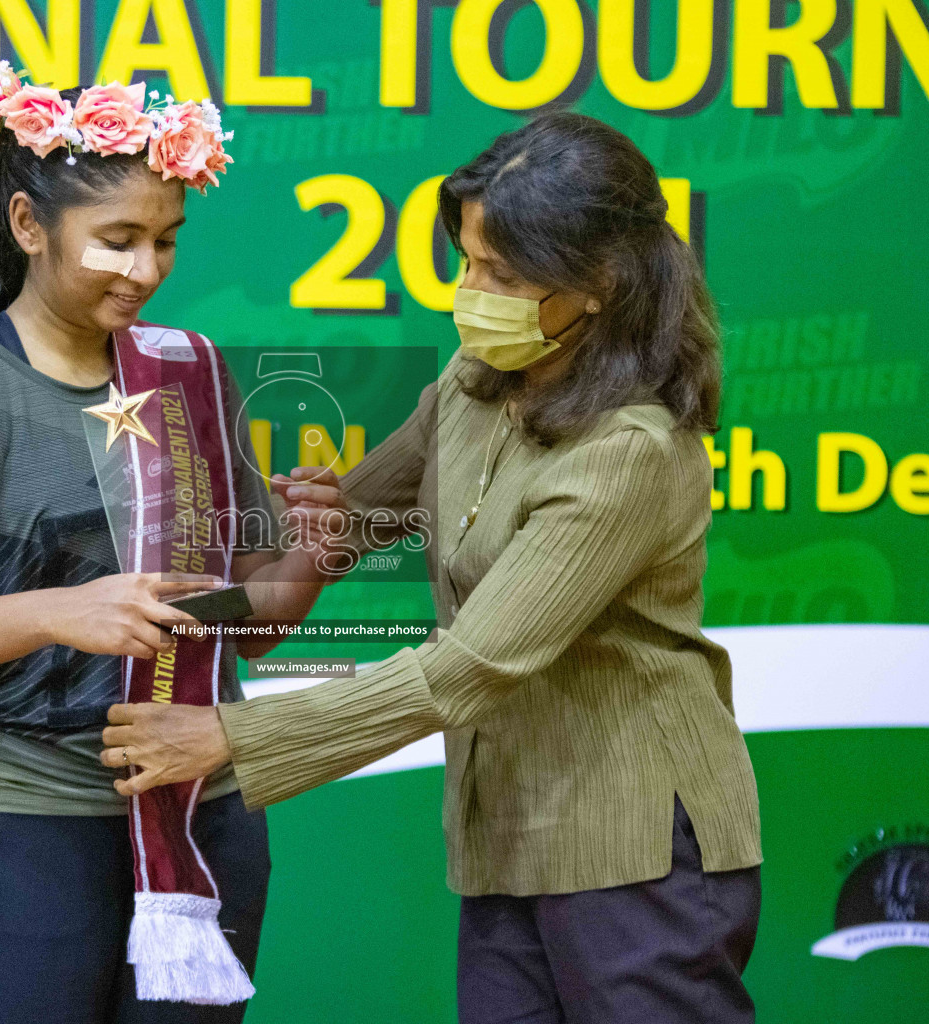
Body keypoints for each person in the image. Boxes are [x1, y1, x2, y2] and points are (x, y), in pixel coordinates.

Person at [98, 111, 765, 1024]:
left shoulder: (630, 451)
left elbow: (467, 667)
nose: (469, 292)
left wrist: (230, 736)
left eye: (503, 275)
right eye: (467, 262)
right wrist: (164, 609)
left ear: (599, 283)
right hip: (504, 833)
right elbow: (356, 517)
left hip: (636, 845)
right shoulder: (474, 381)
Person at [0, 66, 340, 1024]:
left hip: (198, 823)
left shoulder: (189, 370)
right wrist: (62, 612)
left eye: (165, 241)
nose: (145, 269)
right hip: (11, 835)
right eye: (118, 241)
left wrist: (313, 551)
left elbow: (245, 627)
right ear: (30, 225)